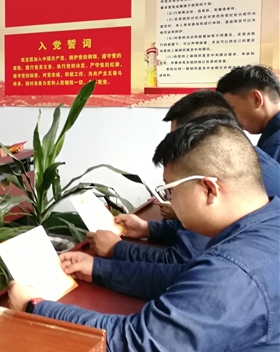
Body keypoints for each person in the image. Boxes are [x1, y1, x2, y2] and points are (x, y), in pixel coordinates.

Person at [8, 118, 280, 352]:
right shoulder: (267, 226)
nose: (168, 202)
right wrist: (99, 270)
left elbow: (138, 344)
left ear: (209, 189)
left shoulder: (235, 270)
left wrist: (36, 307)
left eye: (170, 190)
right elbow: (185, 276)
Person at [90, 91, 280, 267]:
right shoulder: (246, 160)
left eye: (178, 138)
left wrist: (114, 251)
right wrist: (148, 229)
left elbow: (182, 263)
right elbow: (197, 234)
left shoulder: (222, 174)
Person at [217, 64, 280, 162]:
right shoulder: (272, 136)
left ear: (256, 99)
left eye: (232, 109)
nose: (232, 119)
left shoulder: (275, 144)